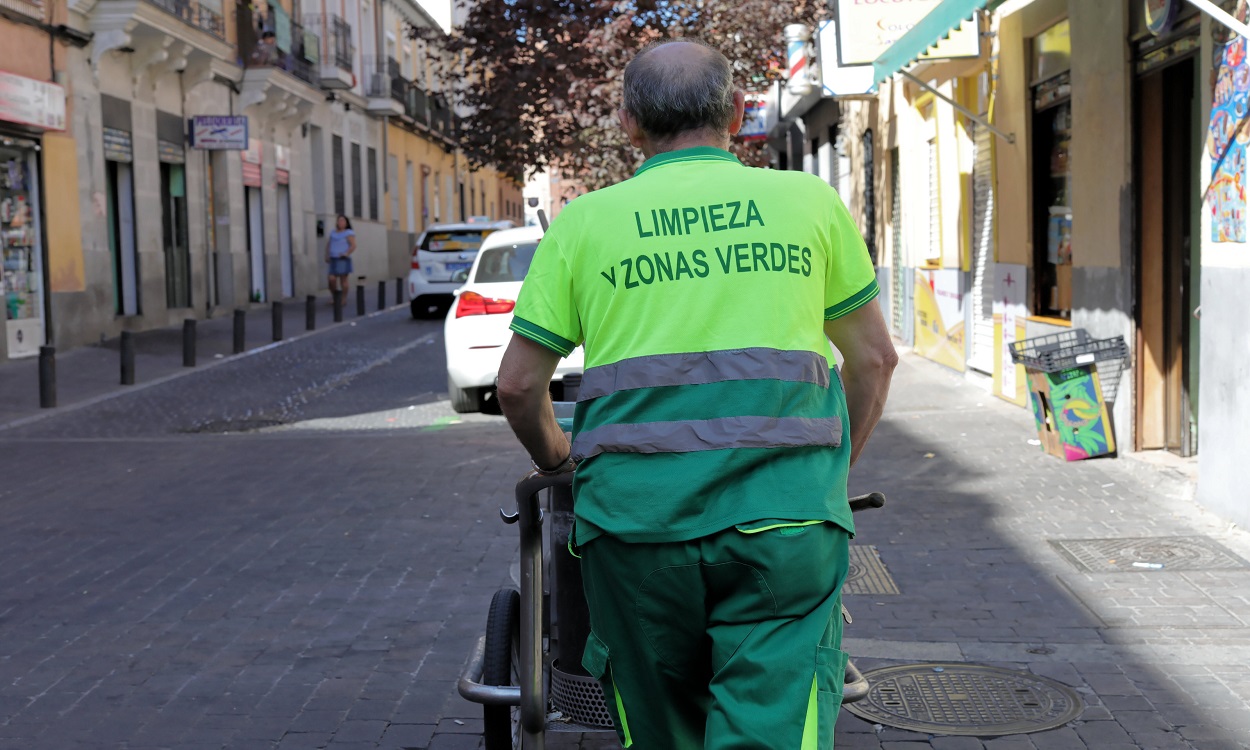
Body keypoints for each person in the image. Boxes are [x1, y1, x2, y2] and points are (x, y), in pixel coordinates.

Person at [497, 38, 899, 748]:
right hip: (785, 525)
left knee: (663, 734)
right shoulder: (807, 201)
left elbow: (519, 384)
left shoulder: (584, 224)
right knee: (772, 726)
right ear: (739, 112)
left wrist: (560, 464)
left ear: (627, 122)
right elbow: (873, 359)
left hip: (635, 529)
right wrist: (828, 474)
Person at [325, 214, 355, 303]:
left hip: (342, 259)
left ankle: (343, 298)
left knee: (343, 280)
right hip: (333, 258)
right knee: (331, 279)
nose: (341, 222)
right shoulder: (333, 232)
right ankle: (335, 295)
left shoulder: (348, 233)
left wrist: (346, 253)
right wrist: (327, 254)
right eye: (339, 220)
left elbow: (353, 245)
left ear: (346, 223)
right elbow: (329, 244)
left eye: (343, 221)